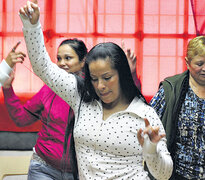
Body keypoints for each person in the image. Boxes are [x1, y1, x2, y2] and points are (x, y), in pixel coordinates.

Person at [19, 1, 173, 179]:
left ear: (122, 75)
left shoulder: (143, 114)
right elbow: (43, 67)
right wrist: (32, 26)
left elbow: (164, 174)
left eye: (107, 78)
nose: (100, 85)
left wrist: (151, 149)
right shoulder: (81, 99)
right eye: (94, 79)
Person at [3, 38, 87, 180]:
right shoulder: (49, 89)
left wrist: (131, 74)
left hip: (79, 172)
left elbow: (123, 102)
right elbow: (21, 118)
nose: (61, 63)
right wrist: (7, 87)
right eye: (59, 58)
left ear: (83, 61)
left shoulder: (94, 91)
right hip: (44, 169)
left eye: (68, 58)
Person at [150, 35, 205, 179]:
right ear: (187, 62)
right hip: (179, 174)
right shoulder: (171, 90)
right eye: (199, 64)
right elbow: (147, 120)